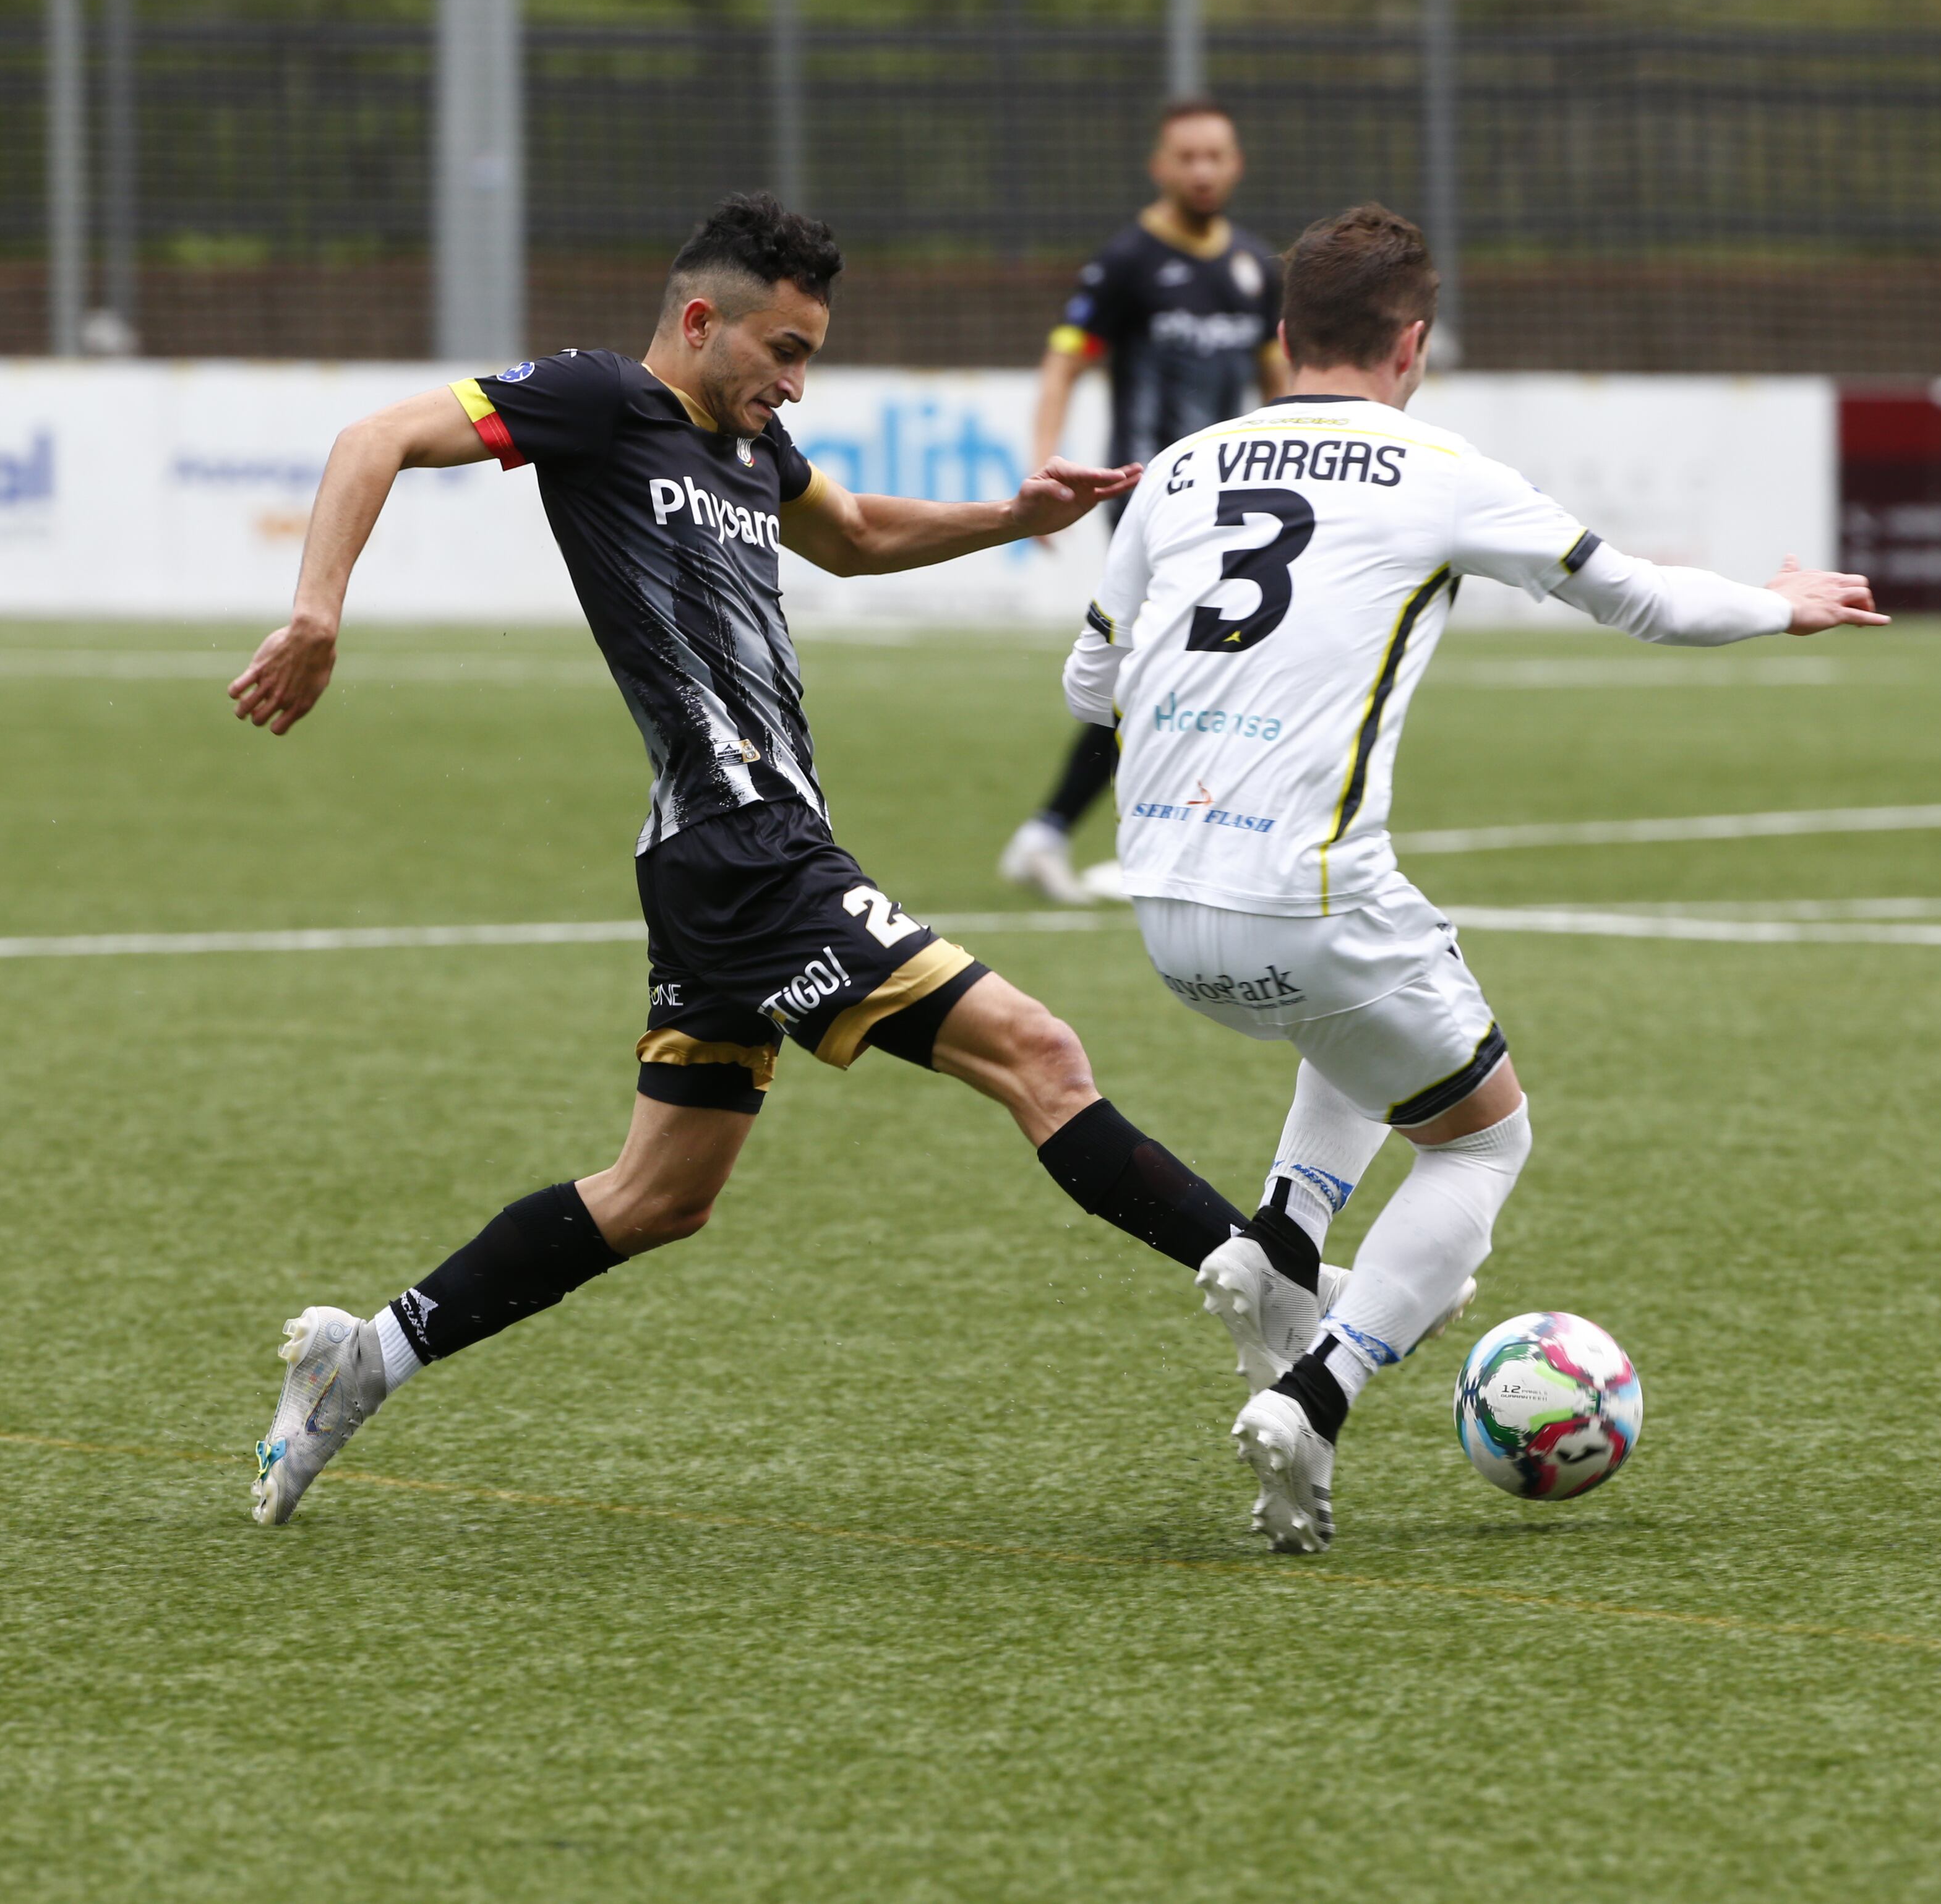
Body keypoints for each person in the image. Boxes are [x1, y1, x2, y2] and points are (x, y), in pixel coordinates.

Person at [226, 194, 1340, 1527]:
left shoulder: (753, 446)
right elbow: (377, 436)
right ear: (700, 322)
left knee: (656, 1193)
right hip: (746, 851)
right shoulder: (599, 402)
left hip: (719, 855)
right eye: (784, 349)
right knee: (1038, 1054)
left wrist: (1008, 514)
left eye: (810, 353)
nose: (795, 381)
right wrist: (315, 610)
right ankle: (1285, 1304)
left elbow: (857, 534)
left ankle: (367, 1353)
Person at [1061, 205, 1885, 1553]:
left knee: (1380, 994)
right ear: (1414, 344)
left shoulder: (1176, 471)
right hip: (1307, 901)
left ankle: (1277, 1236)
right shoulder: (1437, 468)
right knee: (1482, 1135)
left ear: (1281, 337)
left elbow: (1086, 683)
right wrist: (1779, 596)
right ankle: (1320, 1390)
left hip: (1161, 911)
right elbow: (1645, 600)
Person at [998, 98, 1287, 907]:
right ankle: (1138, 836)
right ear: (1160, 166)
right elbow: (1065, 364)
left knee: (1180, 671)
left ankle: (1060, 833)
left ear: (1236, 165)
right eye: (1185, 156)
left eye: (1215, 155)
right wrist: (1043, 462)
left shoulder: (1257, 268)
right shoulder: (1127, 261)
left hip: (1237, 505)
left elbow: (1277, 382)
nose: (1201, 169)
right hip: (1152, 499)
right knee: (1188, 669)